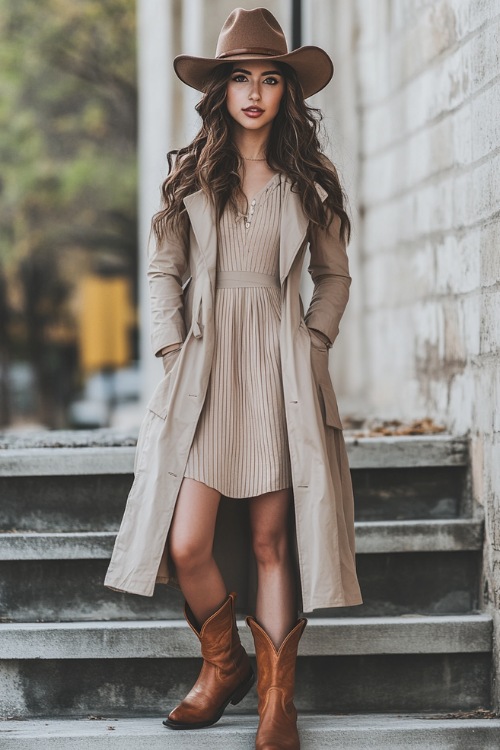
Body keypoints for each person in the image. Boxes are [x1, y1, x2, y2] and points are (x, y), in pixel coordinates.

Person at [104, 7, 362, 749]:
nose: (255, 91)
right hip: (207, 372)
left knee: (272, 540)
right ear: (221, 89)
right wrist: (171, 348)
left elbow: (334, 277)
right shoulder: (193, 175)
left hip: (279, 376)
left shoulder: (310, 181)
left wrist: (312, 345)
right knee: (187, 543)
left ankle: (277, 702)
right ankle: (225, 667)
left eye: (270, 77)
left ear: (286, 91)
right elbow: (164, 271)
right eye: (241, 77)